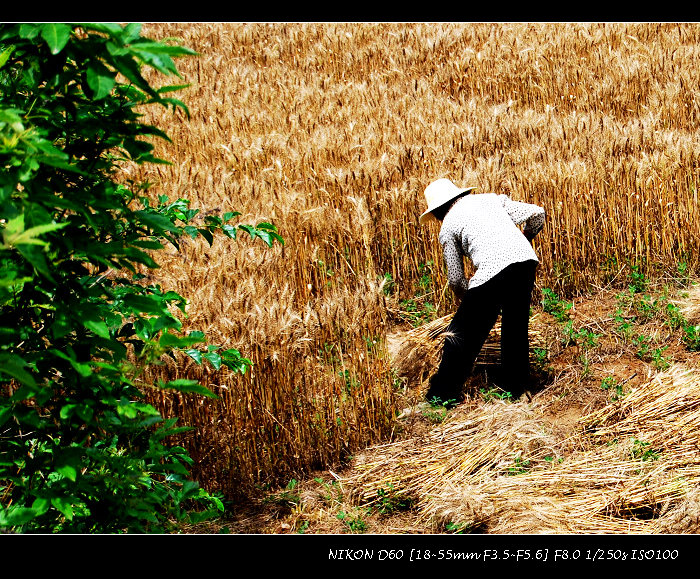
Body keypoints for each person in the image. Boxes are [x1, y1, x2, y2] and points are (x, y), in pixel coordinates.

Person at [419, 178, 545, 406]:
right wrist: (525, 239)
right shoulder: (491, 199)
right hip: (526, 262)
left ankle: (441, 397)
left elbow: (456, 278)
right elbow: (537, 213)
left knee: (459, 336)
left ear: (437, 211)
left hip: (493, 271)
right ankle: (517, 389)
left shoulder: (447, 226)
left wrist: (466, 301)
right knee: (515, 328)